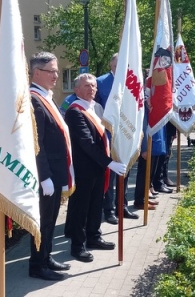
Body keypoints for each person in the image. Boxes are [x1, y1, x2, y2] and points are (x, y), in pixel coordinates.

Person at [64, 73, 126, 263]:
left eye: (93, 86)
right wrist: (110, 163)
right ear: (76, 90)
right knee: (80, 208)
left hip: (98, 167)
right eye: (86, 86)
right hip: (84, 169)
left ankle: (94, 237)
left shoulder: (97, 107)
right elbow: (86, 143)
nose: (91, 89)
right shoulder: (75, 111)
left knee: (96, 205)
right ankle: (78, 246)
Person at [28, 51, 73, 281]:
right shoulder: (34, 99)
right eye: (52, 71)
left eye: (57, 70)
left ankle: (46, 258)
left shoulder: (47, 96)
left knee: (52, 218)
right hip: (46, 174)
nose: (56, 75)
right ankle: (37, 265)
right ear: (37, 73)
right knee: (44, 220)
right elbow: (37, 142)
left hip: (55, 171)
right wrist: (44, 175)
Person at [95, 53, 139, 224]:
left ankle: (123, 206)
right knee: (111, 175)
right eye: (117, 66)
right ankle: (109, 209)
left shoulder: (132, 84)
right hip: (108, 136)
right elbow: (96, 109)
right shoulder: (100, 82)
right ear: (110, 66)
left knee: (125, 172)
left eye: (124, 67)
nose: (121, 70)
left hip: (127, 134)